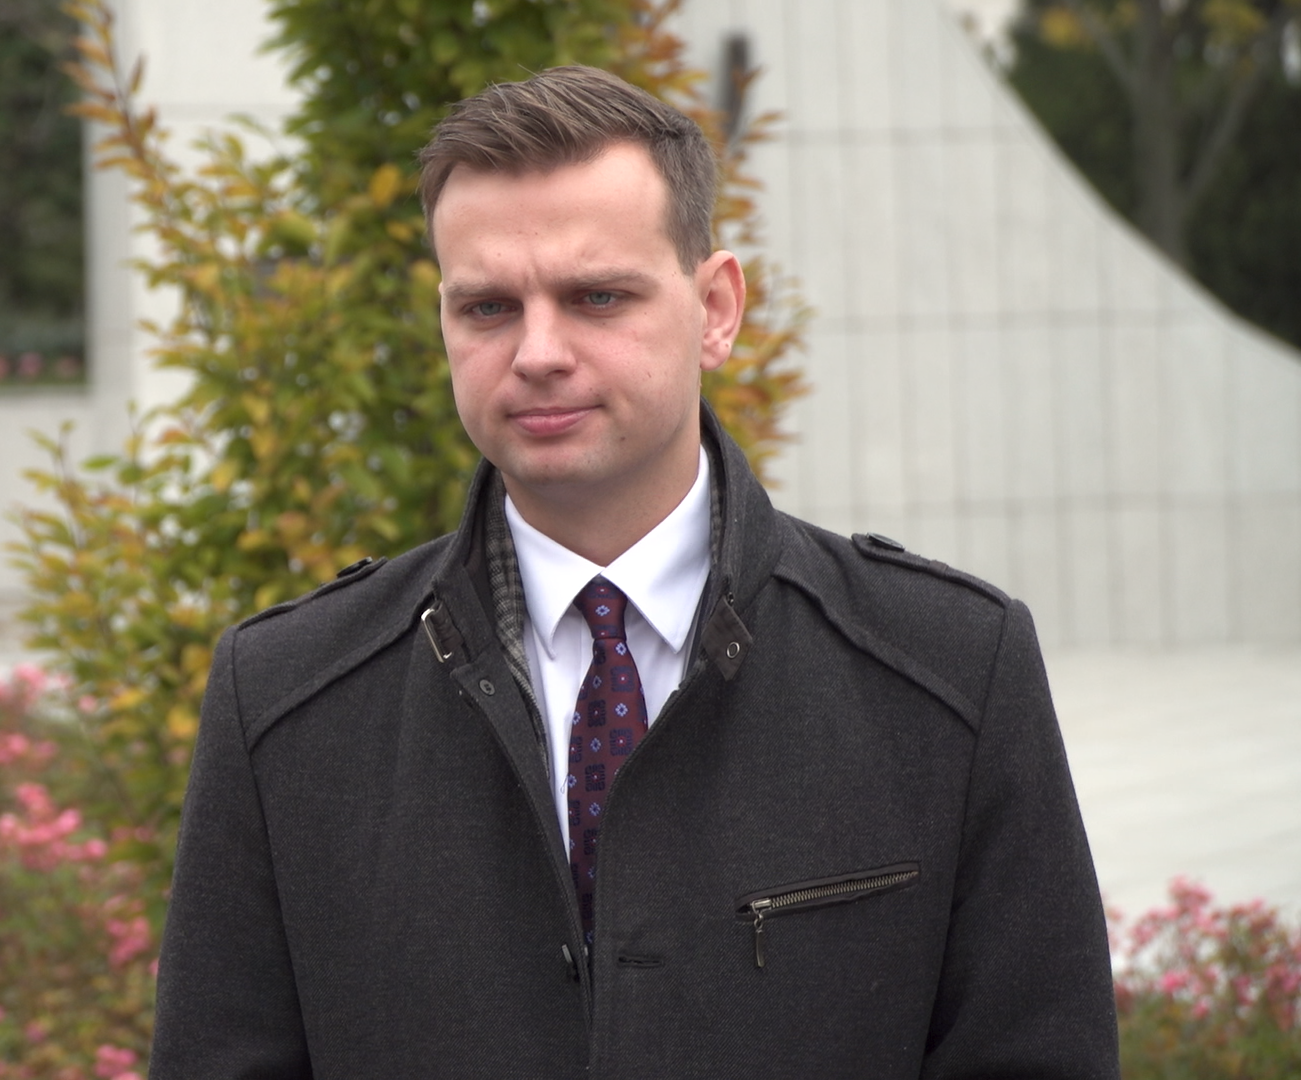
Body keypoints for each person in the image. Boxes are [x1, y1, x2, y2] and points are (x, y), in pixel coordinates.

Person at [149, 65, 1117, 1078]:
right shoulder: (285, 703)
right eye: (487, 307)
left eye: (597, 296)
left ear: (717, 308)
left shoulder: (952, 674)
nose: (538, 352)